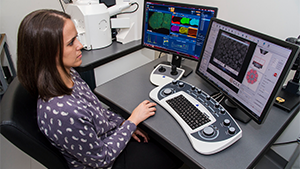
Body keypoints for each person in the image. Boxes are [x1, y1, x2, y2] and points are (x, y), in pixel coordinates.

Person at [17, 9, 182, 169]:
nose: (80, 45)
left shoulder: (69, 73)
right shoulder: (62, 112)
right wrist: (132, 122)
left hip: (107, 137)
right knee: (172, 153)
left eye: (77, 38)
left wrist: (124, 124)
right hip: (104, 162)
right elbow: (101, 159)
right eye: (70, 43)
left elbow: (98, 112)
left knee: (155, 139)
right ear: (47, 54)